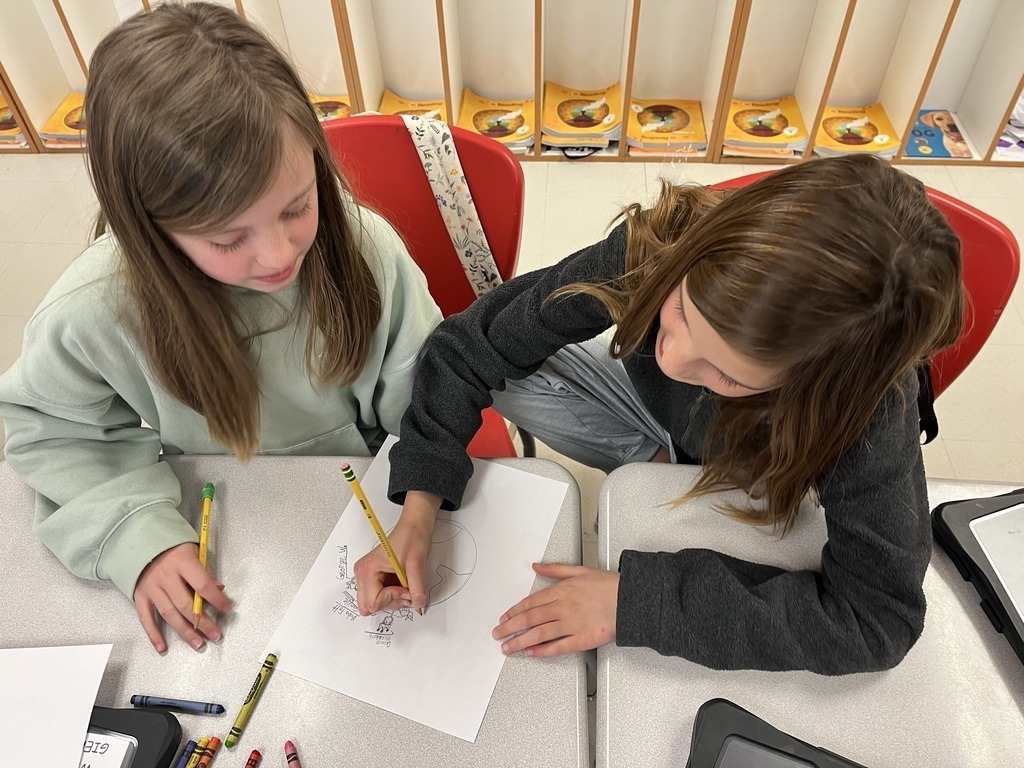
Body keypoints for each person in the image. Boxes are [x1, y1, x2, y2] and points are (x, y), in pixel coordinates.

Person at [354, 155, 965, 675]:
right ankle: (663, 454)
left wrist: (636, 603)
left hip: (758, 468)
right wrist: (420, 501)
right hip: (662, 419)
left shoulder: (868, 409)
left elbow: (877, 617)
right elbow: (470, 344)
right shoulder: (664, 248)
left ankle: (676, 452)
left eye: (730, 374)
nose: (670, 357)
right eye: (681, 311)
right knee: (510, 356)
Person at [0, 3, 441, 654]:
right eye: (228, 238)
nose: (278, 254)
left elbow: (435, 394)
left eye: (297, 205)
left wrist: (423, 505)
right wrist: (136, 534)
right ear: (151, 230)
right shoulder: (95, 308)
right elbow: (52, 436)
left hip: (367, 505)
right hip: (224, 530)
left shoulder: (366, 250)